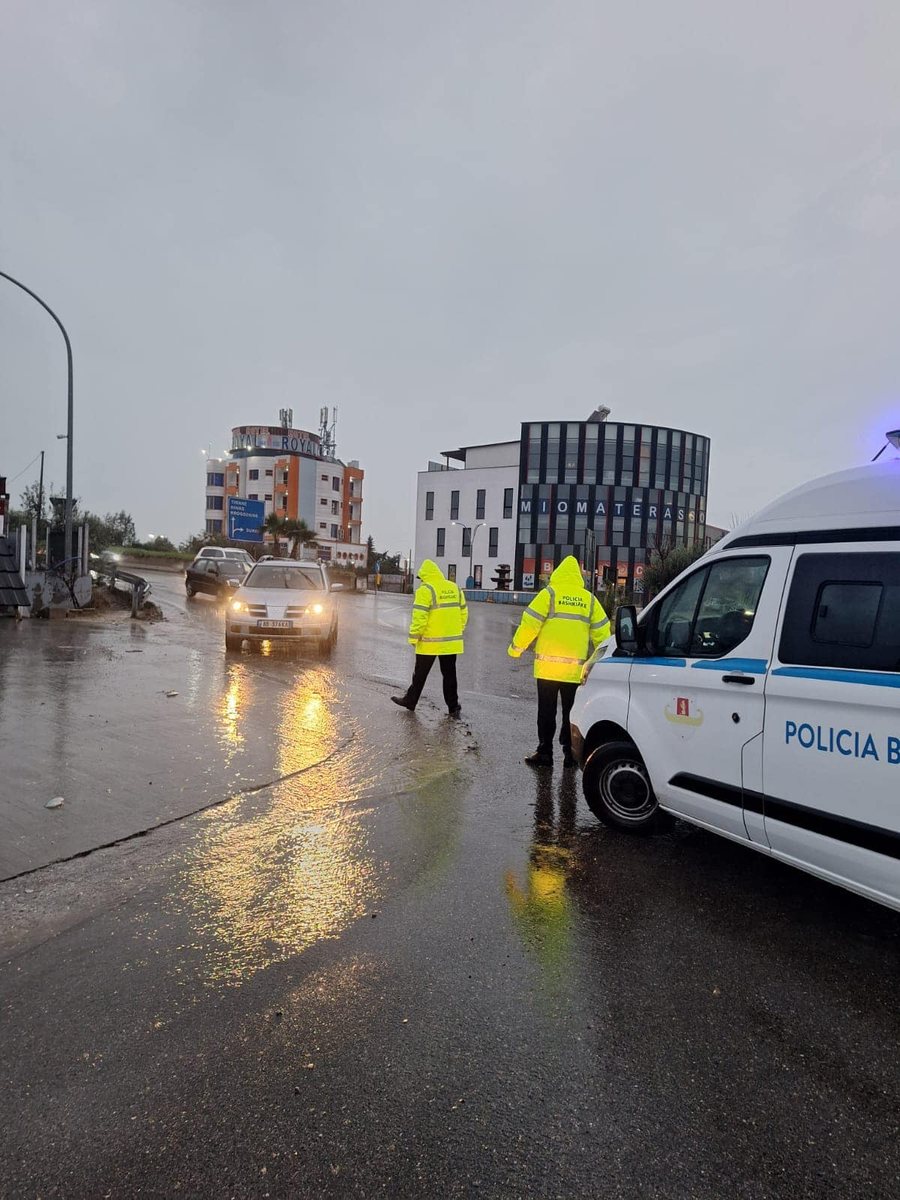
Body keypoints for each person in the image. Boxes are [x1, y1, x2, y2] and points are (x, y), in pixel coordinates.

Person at [508, 555, 610, 768]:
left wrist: (516, 649)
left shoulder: (549, 595)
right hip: (575, 671)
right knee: (570, 713)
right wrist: (597, 663)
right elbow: (603, 635)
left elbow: (529, 624)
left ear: (557, 574)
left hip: (547, 670)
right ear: (579, 577)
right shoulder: (589, 600)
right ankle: (570, 756)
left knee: (546, 712)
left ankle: (544, 753)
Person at [392, 559, 468, 716]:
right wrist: (457, 630)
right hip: (450, 643)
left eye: (421, 578)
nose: (421, 581)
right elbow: (463, 613)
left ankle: (410, 701)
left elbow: (420, 617)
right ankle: (453, 707)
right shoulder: (454, 587)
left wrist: (414, 638)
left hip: (429, 642)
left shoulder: (425, 590)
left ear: (424, 576)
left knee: (419, 674)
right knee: (449, 675)